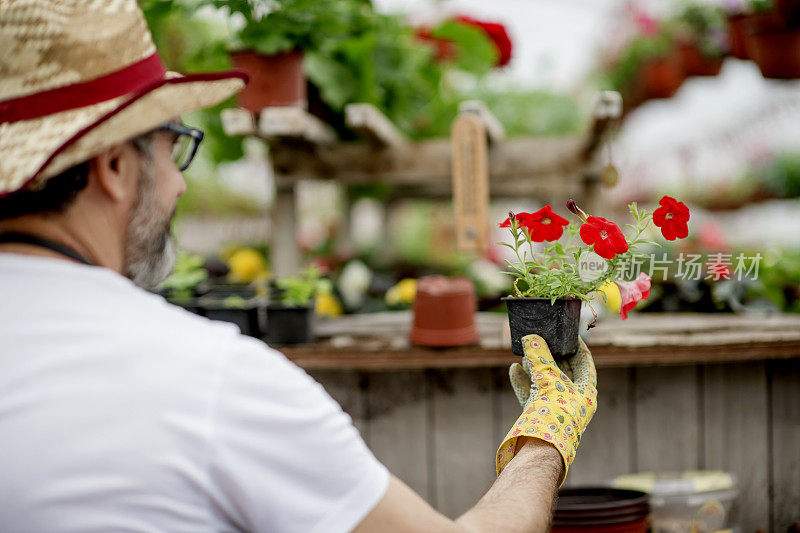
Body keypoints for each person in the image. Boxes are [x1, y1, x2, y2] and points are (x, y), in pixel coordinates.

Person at [0, 1, 597, 532]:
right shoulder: (211, 380)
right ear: (112, 166)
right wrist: (548, 433)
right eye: (173, 143)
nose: (180, 183)